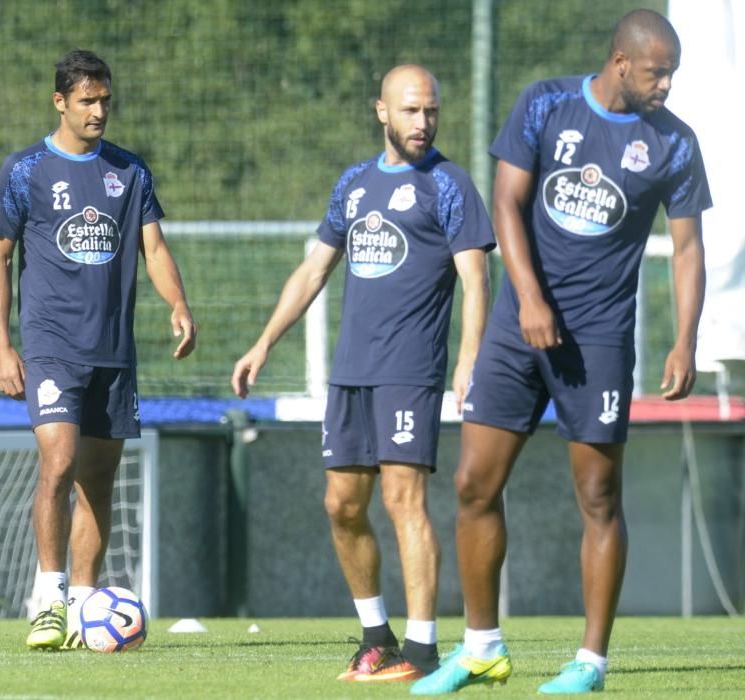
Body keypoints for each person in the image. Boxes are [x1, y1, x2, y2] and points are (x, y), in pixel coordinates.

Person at [411, 9, 711, 696]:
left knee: (599, 495)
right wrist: (531, 298)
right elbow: (507, 205)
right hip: (519, 330)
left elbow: (689, 248)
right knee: (471, 485)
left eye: (673, 73)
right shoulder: (544, 103)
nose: (666, 85)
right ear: (620, 63)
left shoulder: (675, 143)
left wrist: (684, 339)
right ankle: (482, 646)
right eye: (657, 72)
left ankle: (590, 663)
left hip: (600, 340)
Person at [232, 64, 494, 682]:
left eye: (431, 110)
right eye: (410, 111)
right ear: (382, 112)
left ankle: (424, 651)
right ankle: (378, 638)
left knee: (405, 500)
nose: (423, 122)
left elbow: (476, 280)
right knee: (342, 505)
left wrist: (468, 357)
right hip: (351, 373)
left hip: (410, 370)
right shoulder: (353, 184)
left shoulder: (450, 185)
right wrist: (263, 343)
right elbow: (313, 271)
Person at [0, 49, 196, 651]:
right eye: (87, 101)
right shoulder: (25, 170)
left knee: (99, 483)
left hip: (113, 351)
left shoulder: (129, 172)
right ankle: (47, 599)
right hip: (51, 346)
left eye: (105, 100)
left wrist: (178, 304)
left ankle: (83, 603)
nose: (99, 110)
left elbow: (154, 249)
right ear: (60, 102)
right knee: (58, 462)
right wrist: (2, 344)